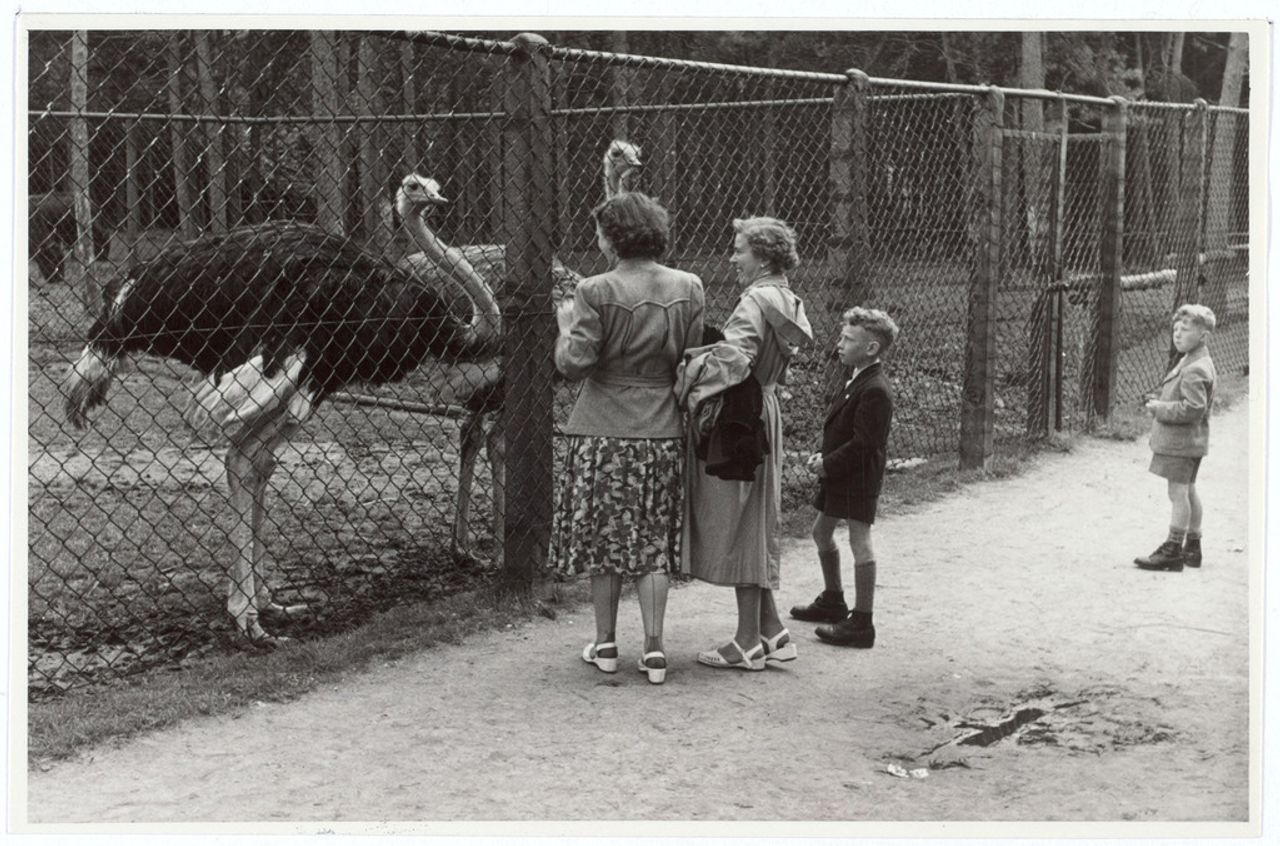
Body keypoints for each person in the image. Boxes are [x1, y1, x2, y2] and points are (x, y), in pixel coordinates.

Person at [551, 192, 705, 685]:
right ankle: (656, 649)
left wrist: (563, 327)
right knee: (652, 539)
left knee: (605, 540)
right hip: (662, 427)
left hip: (603, 428)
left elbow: (574, 365)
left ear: (612, 237)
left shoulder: (594, 289)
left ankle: (607, 643)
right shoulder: (690, 285)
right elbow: (693, 357)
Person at [680, 216, 813, 671]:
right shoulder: (785, 296)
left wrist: (688, 372)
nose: (732, 257)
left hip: (742, 415)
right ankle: (773, 631)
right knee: (756, 516)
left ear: (763, 256)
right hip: (766, 407)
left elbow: (734, 363)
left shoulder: (754, 301)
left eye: (739, 250)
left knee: (741, 520)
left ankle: (745, 642)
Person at [791, 307, 899, 648]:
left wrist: (828, 464)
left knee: (859, 540)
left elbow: (865, 445)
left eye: (847, 339)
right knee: (821, 530)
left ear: (870, 349)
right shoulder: (856, 378)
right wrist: (826, 460)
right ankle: (833, 599)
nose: (839, 344)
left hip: (857, 477)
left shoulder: (876, 389)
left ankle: (862, 622)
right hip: (840, 472)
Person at [1134, 304, 1217, 572]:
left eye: (1186, 329)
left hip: (1181, 442)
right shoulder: (1194, 359)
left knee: (1177, 492)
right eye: (1175, 329)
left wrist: (1160, 408)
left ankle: (1173, 549)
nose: (1177, 334)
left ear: (1203, 336)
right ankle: (1192, 547)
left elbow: (1193, 408)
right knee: (1189, 490)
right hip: (1191, 441)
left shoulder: (1195, 368)